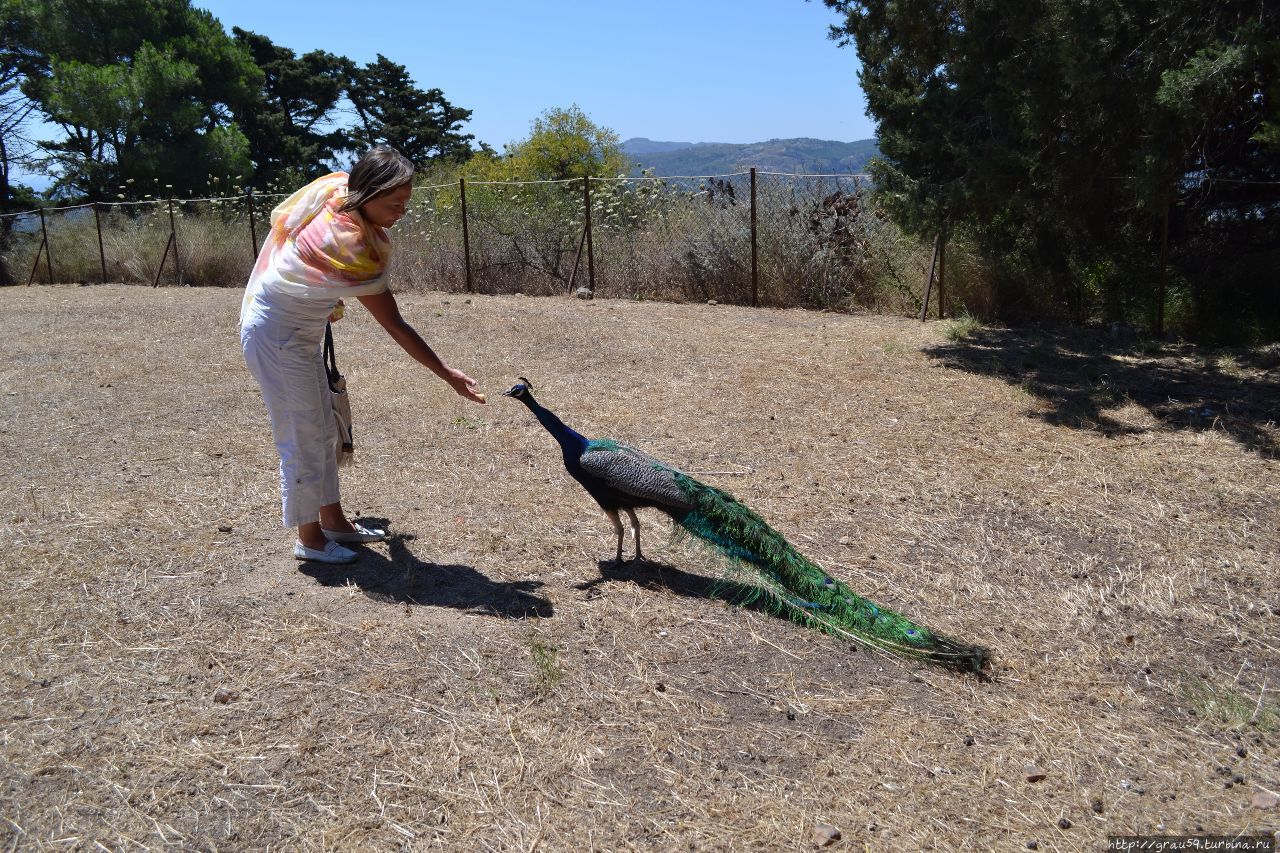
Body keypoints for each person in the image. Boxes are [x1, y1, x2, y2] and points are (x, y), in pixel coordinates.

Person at [240, 145, 485, 565]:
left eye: (406, 201)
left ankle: (333, 521)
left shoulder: (339, 190)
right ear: (368, 194)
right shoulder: (348, 246)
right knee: (303, 434)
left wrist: (319, 292)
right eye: (395, 202)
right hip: (277, 336)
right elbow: (394, 323)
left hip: (297, 332)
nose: (402, 211)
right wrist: (446, 372)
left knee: (324, 428)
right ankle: (309, 537)